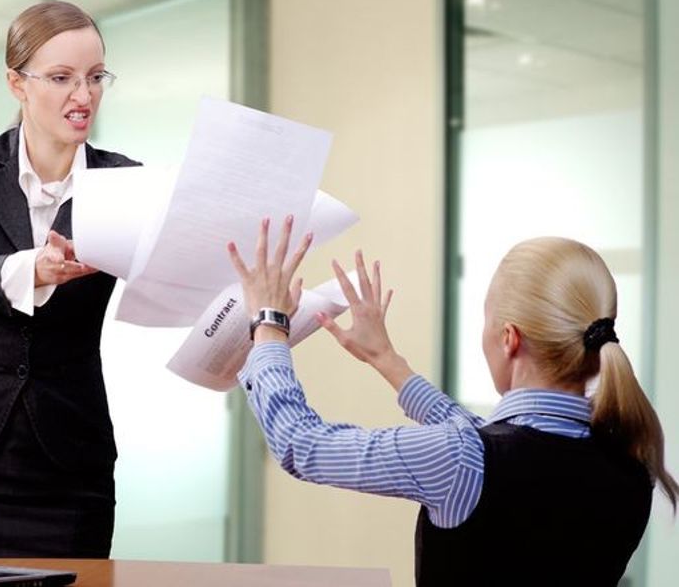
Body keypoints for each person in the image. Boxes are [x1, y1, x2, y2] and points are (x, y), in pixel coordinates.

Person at [227, 217, 678, 586]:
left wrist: (269, 324)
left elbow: (301, 446)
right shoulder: (631, 462)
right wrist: (389, 362)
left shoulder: (466, 460)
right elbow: (494, 446)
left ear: (509, 339)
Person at [0, 1, 139, 558]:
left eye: (95, 77)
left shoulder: (125, 182)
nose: (84, 95)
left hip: (70, 462)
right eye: (63, 78)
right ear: (17, 83)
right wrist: (32, 267)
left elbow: (171, 279)